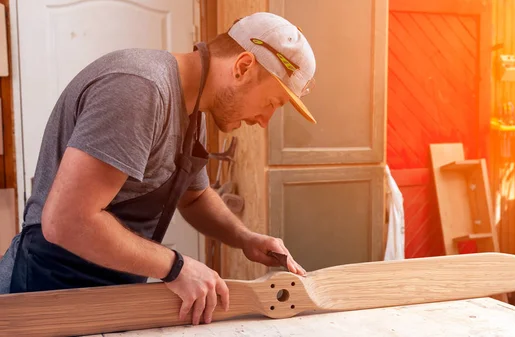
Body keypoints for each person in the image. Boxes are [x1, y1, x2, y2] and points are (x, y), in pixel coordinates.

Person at [0, 11, 316, 325]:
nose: (263, 121)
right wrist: (176, 267)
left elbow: (194, 197)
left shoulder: (194, 113)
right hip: (46, 288)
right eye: (272, 103)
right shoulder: (139, 89)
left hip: (108, 291)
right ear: (243, 67)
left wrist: (246, 239)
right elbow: (66, 221)